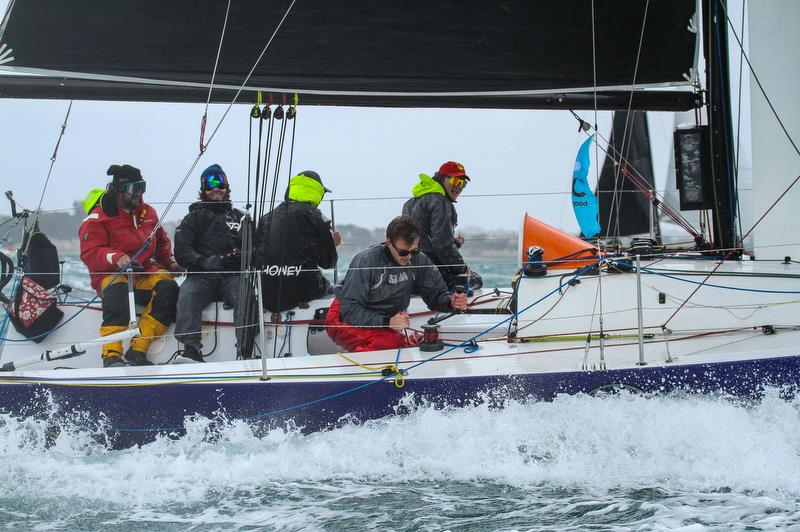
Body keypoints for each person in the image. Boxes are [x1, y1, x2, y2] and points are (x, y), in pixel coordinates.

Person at [79, 164, 181, 367]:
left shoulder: (148, 213)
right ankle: (111, 354)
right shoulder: (98, 218)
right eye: (135, 188)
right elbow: (90, 252)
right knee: (117, 290)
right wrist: (115, 257)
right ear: (118, 190)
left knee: (168, 287)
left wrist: (169, 263)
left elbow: (160, 241)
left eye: (143, 187)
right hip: (111, 274)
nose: (140, 194)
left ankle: (138, 350)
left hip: (142, 272)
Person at [325, 216, 467, 352]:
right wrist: (387, 321)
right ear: (389, 243)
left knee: (400, 341)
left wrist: (451, 302)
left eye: (415, 250)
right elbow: (350, 310)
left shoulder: (419, 260)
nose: (409, 257)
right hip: (344, 317)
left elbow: (436, 295)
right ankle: (359, 369)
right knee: (390, 343)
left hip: (385, 320)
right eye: (403, 252)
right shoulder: (366, 261)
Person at [173, 164, 257, 362]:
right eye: (210, 183)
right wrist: (205, 261)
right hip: (201, 277)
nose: (216, 187)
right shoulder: (192, 218)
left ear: (227, 186)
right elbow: (182, 252)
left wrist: (242, 256)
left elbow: (256, 249)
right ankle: (191, 349)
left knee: (245, 294)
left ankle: (245, 351)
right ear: (203, 189)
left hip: (233, 277)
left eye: (220, 182)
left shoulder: (242, 218)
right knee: (188, 293)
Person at [256, 170, 341, 312]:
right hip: (303, 292)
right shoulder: (316, 217)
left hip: (267, 295)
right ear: (316, 193)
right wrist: (332, 243)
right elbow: (328, 263)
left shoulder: (266, 218)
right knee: (338, 293)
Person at [402, 161, 483, 291]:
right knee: (477, 281)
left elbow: (424, 240)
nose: (458, 187)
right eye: (455, 181)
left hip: (411, 271)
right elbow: (441, 245)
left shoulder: (411, 202)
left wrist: (454, 243)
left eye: (463, 183)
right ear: (443, 179)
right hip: (431, 271)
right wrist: (463, 270)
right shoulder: (440, 202)